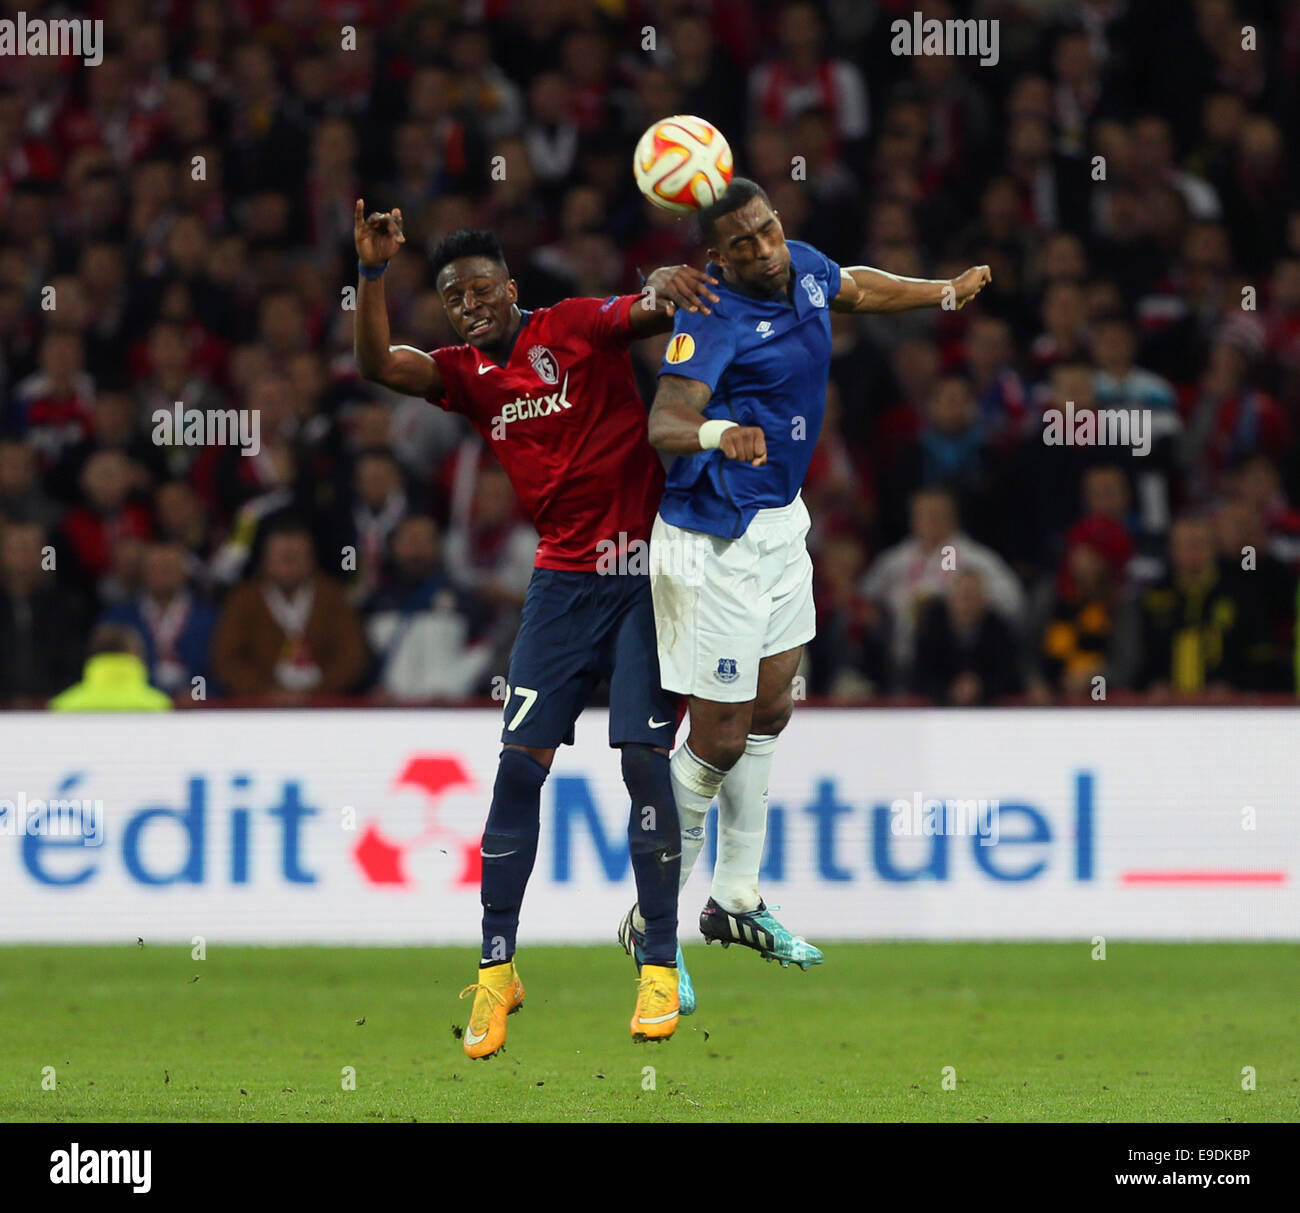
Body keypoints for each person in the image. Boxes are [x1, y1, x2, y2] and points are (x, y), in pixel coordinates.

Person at [352, 200, 718, 1055]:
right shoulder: (466, 375)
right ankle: (496, 971)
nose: (470, 304)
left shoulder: (577, 327)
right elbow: (377, 365)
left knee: (640, 759)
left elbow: (648, 308)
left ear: (511, 288)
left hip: (640, 577)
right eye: (453, 296)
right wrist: (372, 274)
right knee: (519, 770)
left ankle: (658, 964)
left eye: (481, 288)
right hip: (558, 585)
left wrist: (664, 283)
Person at [639, 178, 989, 969]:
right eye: (742, 244)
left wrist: (945, 292)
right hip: (713, 538)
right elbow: (665, 420)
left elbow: (858, 286)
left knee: (772, 708)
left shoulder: (801, 266)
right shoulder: (709, 313)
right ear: (716, 259)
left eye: (767, 230)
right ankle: (649, 922)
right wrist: (719, 430)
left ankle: (735, 900)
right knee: (718, 737)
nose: (763, 249)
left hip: (778, 522)